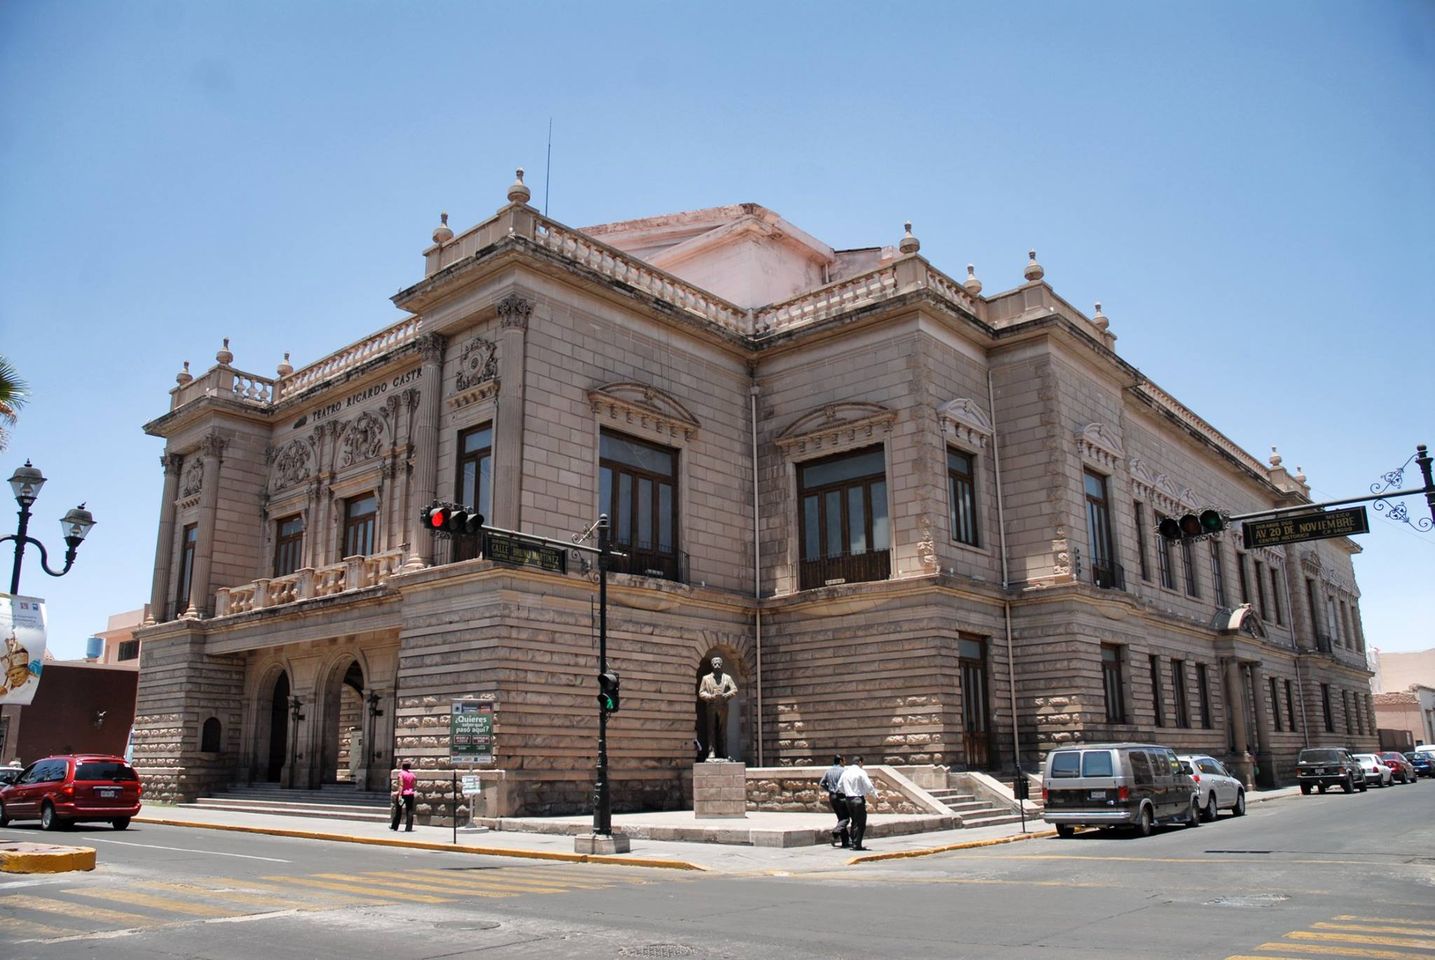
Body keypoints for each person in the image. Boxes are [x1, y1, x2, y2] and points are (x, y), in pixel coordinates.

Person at [697, 656, 739, 761]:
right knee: (711, 730)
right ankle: (712, 752)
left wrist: (725, 696)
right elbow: (701, 692)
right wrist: (710, 697)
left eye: (718, 663)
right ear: (712, 664)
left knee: (722, 730)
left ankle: (723, 752)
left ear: (721, 664)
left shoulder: (727, 678)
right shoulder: (706, 678)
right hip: (711, 706)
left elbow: (734, 690)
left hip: (723, 706)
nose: (717, 665)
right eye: (715, 663)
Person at [837, 755, 878, 851]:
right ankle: (857, 844)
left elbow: (839, 786)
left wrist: (846, 792)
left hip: (848, 799)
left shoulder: (846, 772)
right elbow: (868, 786)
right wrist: (875, 795)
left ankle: (853, 842)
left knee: (854, 821)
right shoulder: (861, 772)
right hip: (858, 799)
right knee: (860, 823)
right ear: (860, 762)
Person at [819, 754, 849, 847]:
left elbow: (822, 783)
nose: (845, 762)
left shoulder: (828, 771)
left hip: (832, 797)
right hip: (841, 796)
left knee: (841, 818)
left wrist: (829, 790)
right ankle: (836, 832)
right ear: (840, 761)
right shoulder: (844, 771)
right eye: (844, 761)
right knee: (846, 818)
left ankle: (845, 841)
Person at [390, 760, 417, 831]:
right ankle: (409, 827)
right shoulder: (412, 775)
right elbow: (414, 785)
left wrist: (399, 795)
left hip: (402, 795)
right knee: (410, 810)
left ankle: (394, 826)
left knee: (398, 810)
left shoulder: (401, 774)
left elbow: (401, 785)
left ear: (402, 766)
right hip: (410, 795)